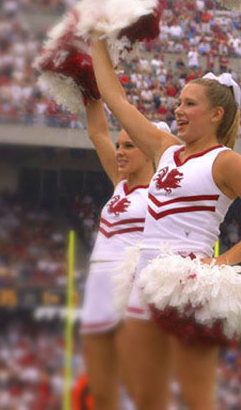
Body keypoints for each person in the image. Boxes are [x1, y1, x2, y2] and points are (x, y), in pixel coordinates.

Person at [89, 37, 241, 410]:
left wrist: (222, 261)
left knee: (196, 398)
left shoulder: (226, 162)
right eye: (179, 102)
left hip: (190, 289)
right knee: (146, 396)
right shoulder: (164, 148)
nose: (178, 110)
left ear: (216, 115)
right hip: (144, 284)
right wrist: (97, 40)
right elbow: (117, 101)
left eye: (189, 104)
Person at [79, 98, 157, 410]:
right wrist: (87, 89)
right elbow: (97, 132)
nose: (120, 152)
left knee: (141, 392)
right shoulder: (119, 184)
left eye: (129, 146)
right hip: (97, 294)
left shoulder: (160, 196)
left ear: (149, 151)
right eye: (119, 145)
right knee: (101, 394)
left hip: (129, 297)